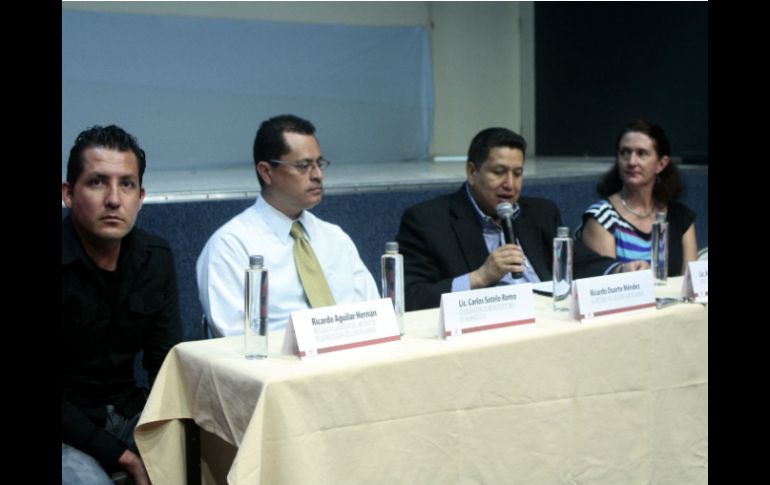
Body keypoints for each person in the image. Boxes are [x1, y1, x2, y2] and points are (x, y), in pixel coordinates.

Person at [396, 127, 647, 311]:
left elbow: (577, 261)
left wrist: (620, 269)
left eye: (517, 174)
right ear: (472, 172)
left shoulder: (540, 213)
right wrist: (480, 277)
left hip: (548, 322)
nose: (510, 185)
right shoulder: (428, 221)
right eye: (499, 172)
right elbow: (410, 296)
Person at [62, 125, 183, 484]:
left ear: (140, 196)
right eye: (98, 182)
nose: (114, 199)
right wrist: (126, 458)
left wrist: (174, 436)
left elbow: (168, 364)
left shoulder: (154, 258)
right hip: (69, 426)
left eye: (126, 184)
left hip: (132, 412)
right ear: (69, 193)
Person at [197, 114, 379, 336]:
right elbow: (235, 340)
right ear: (266, 171)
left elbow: (373, 316)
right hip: (277, 368)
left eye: (319, 164)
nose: (318, 175)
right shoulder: (230, 246)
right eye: (303, 166)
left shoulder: (335, 238)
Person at [576, 120, 697, 276]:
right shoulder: (602, 218)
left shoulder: (681, 217)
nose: (631, 162)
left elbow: (691, 286)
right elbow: (606, 289)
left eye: (641, 153)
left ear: (661, 164)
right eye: (625, 153)